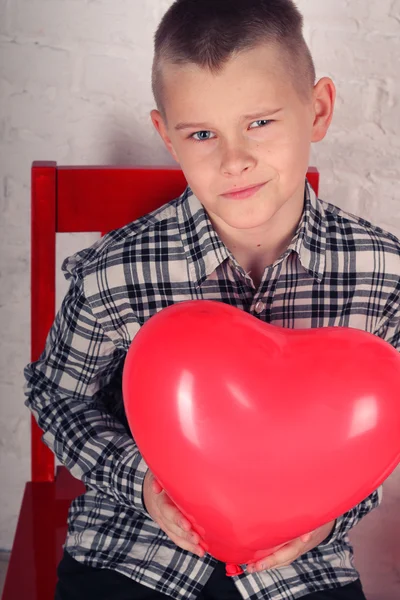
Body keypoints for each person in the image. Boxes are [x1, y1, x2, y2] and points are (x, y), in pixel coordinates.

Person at [23, 1, 399, 599]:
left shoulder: (385, 273)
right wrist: (143, 483)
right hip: (132, 550)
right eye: (202, 133)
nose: (233, 160)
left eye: (260, 123)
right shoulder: (115, 270)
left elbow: (379, 428)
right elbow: (57, 397)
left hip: (299, 564)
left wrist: (332, 516)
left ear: (319, 109)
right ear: (167, 136)